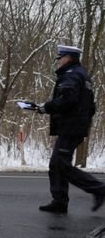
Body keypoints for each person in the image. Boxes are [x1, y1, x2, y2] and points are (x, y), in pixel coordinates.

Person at [35, 44, 105, 214]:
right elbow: (92, 106)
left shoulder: (72, 75)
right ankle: (59, 201)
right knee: (56, 164)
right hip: (75, 125)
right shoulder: (82, 75)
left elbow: (67, 100)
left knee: (61, 164)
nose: (58, 61)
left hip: (71, 126)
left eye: (60, 58)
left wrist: (46, 107)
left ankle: (98, 189)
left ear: (68, 58)